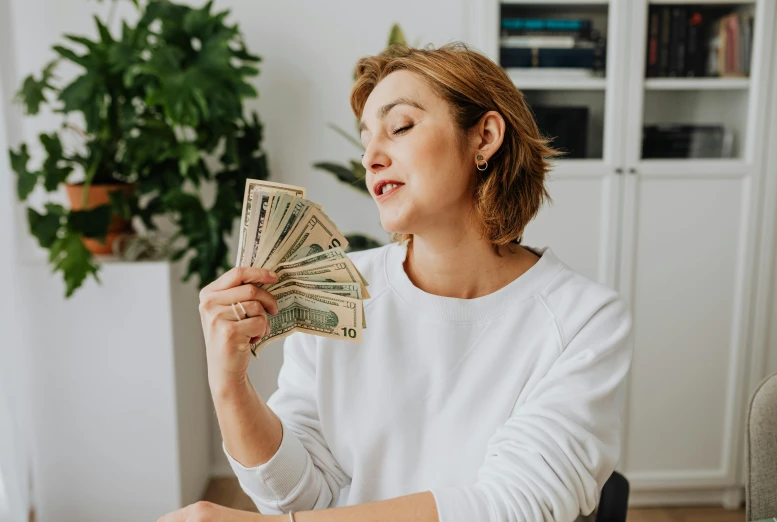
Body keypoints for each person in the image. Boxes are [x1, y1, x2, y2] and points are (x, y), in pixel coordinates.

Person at [159, 41, 633, 522]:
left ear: (485, 137)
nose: (370, 158)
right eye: (365, 141)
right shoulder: (338, 287)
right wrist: (229, 384)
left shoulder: (584, 318)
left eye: (400, 126)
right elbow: (298, 499)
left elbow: (514, 507)